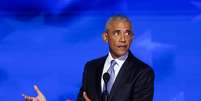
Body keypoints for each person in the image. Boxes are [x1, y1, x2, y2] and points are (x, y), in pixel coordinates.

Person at [23, 15, 155, 101]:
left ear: (132, 37)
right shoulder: (91, 67)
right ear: (105, 37)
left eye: (128, 33)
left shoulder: (142, 72)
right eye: (116, 33)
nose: (123, 39)